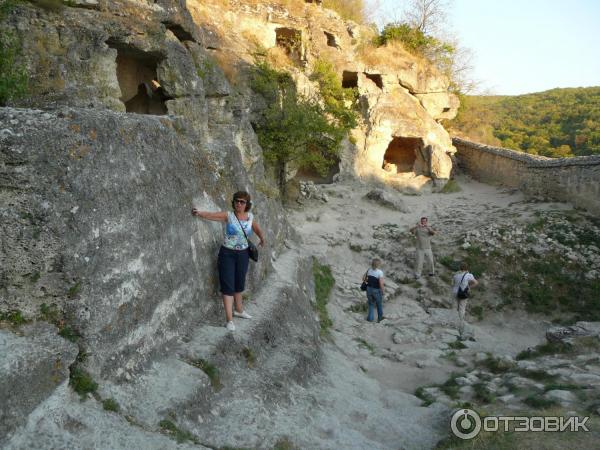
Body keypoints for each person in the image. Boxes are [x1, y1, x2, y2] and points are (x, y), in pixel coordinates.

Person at [192, 191, 265, 331]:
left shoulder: (250, 217)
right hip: (227, 254)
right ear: (234, 202)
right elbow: (212, 216)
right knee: (228, 285)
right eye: (237, 201)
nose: (239, 204)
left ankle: (239, 310)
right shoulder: (229, 216)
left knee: (239, 282)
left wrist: (262, 238)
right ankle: (229, 320)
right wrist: (199, 213)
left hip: (243, 254)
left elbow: (255, 227)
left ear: (247, 204)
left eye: (242, 202)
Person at [452, 262, 478, 338]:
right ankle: (460, 323)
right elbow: (476, 283)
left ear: (460, 268)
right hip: (463, 293)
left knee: (454, 307)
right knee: (462, 308)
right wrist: (469, 287)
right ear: (467, 268)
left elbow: (453, 283)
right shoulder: (469, 275)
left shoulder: (456, 274)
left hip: (455, 292)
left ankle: (453, 321)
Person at [363, 258, 385, 323]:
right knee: (379, 304)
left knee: (371, 304)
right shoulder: (380, 272)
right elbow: (381, 284)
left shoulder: (369, 270)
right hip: (376, 290)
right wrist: (383, 291)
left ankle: (370, 318)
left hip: (369, 289)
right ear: (378, 265)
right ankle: (380, 319)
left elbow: (363, 278)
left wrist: (368, 281)